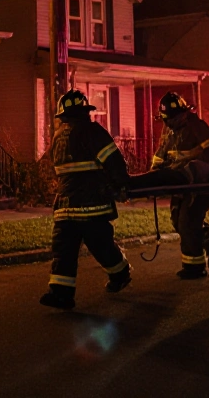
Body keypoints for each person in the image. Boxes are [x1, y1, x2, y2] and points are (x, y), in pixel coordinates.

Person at [40, 89, 133, 310]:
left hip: (91, 204)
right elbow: (114, 163)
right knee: (64, 249)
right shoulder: (66, 136)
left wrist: (121, 185)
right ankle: (60, 293)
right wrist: (119, 183)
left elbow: (113, 162)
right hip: (70, 205)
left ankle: (120, 273)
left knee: (98, 246)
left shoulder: (88, 133)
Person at [150, 92, 209, 279]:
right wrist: (154, 173)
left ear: (182, 114)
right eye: (165, 119)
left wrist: (186, 161)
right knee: (178, 221)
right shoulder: (169, 129)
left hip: (199, 184)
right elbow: (161, 154)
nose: (167, 123)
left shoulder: (198, 127)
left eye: (171, 119)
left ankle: (195, 267)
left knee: (188, 222)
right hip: (179, 183)